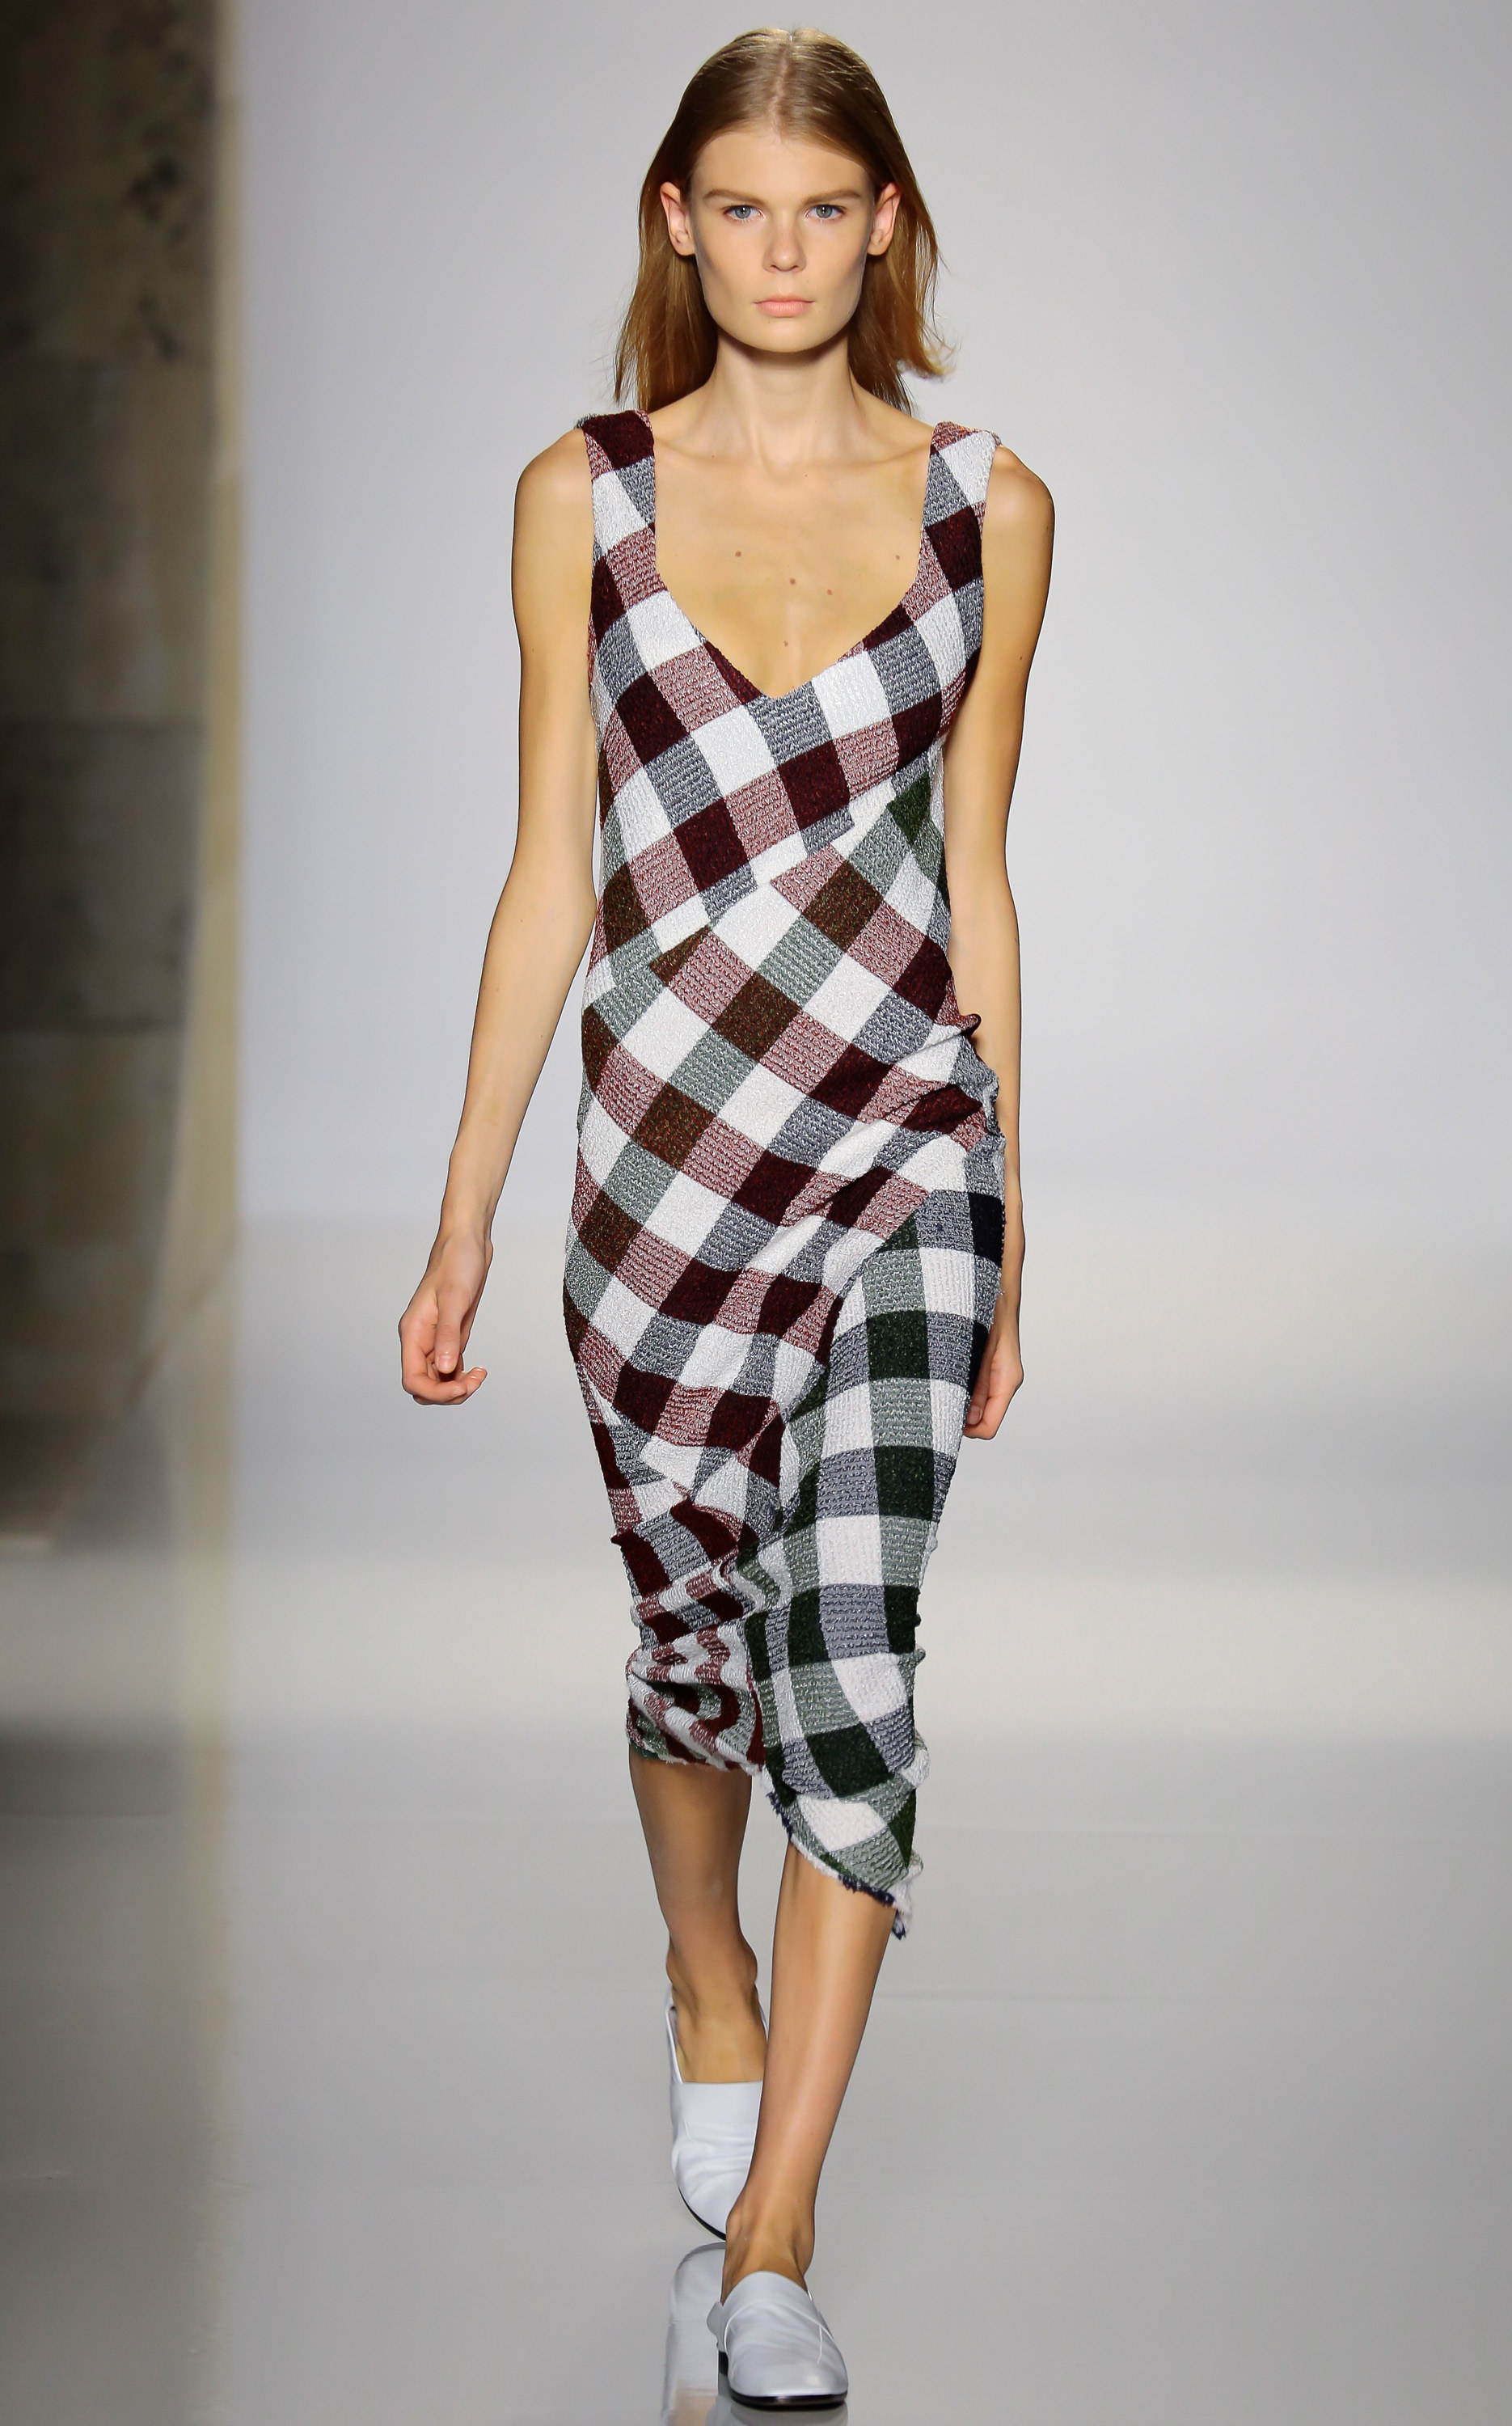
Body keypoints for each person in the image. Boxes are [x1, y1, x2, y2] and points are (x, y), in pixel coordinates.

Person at [399, 25, 1052, 2411]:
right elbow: (548, 873)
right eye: (742, 207)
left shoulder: (993, 507)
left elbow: (978, 875)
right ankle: (704, 1968)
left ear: (889, 224)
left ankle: (777, 2235)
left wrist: (1011, 1210)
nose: (787, 250)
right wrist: (466, 1214)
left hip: (901, 1151)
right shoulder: (581, 495)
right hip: (663, 1168)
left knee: (851, 1655)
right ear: (680, 222)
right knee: (695, 1642)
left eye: (827, 207)